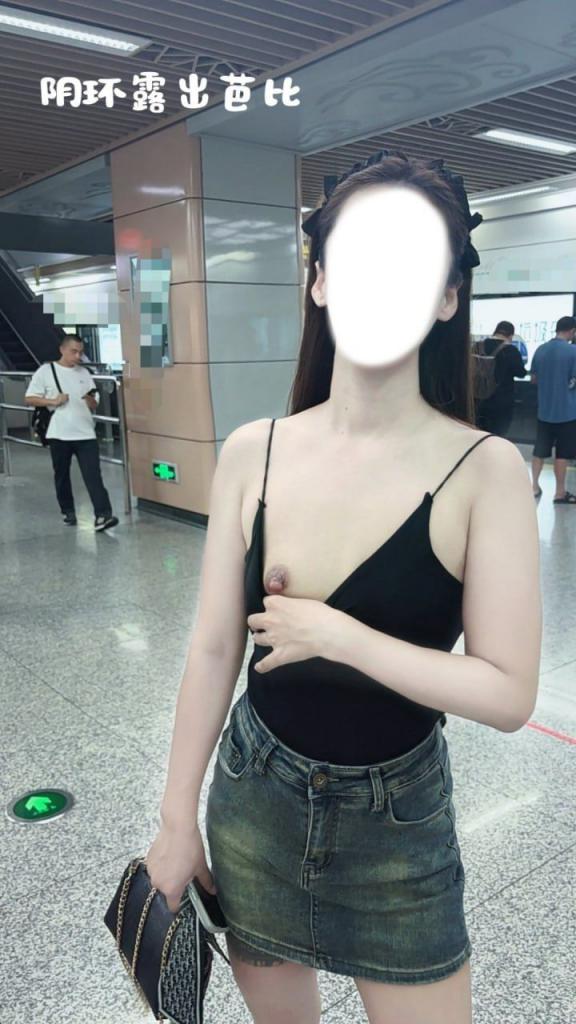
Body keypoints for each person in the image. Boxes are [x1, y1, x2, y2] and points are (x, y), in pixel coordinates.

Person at [145, 152, 541, 1024]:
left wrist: (339, 636)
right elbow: (214, 648)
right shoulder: (254, 451)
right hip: (254, 800)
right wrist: (176, 818)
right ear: (320, 280)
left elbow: (510, 692)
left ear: (447, 297)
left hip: (399, 827)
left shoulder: (485, 471)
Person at [25, 334, 119, 531]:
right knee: (62, 474)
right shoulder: (46, 371)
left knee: (93, 475)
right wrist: (53, 401)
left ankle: (103, 514)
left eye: (80, 352)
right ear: (62, 350)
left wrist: (91, 400)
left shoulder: (84, 373)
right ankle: (67, 510)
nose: (77, 356)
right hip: (59, 434)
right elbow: (30, 398)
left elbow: (94, 402)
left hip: (85, 433)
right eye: (73, 351)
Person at [530, 315, 576, 503]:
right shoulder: (573, 351)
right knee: (562, 454)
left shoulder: (541, 349)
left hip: (544, 411)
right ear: (572, 331)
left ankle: (534, 487)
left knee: (539, 450)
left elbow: (533, 379)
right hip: (567, 412)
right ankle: (559, 493)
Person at [474, 320, 527, 437]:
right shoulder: (511, 350)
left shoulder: (477, 346)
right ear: (511, 335)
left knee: (479, 434)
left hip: (478, 399)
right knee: (498, 435)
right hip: (501, 401)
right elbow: (521, 373)